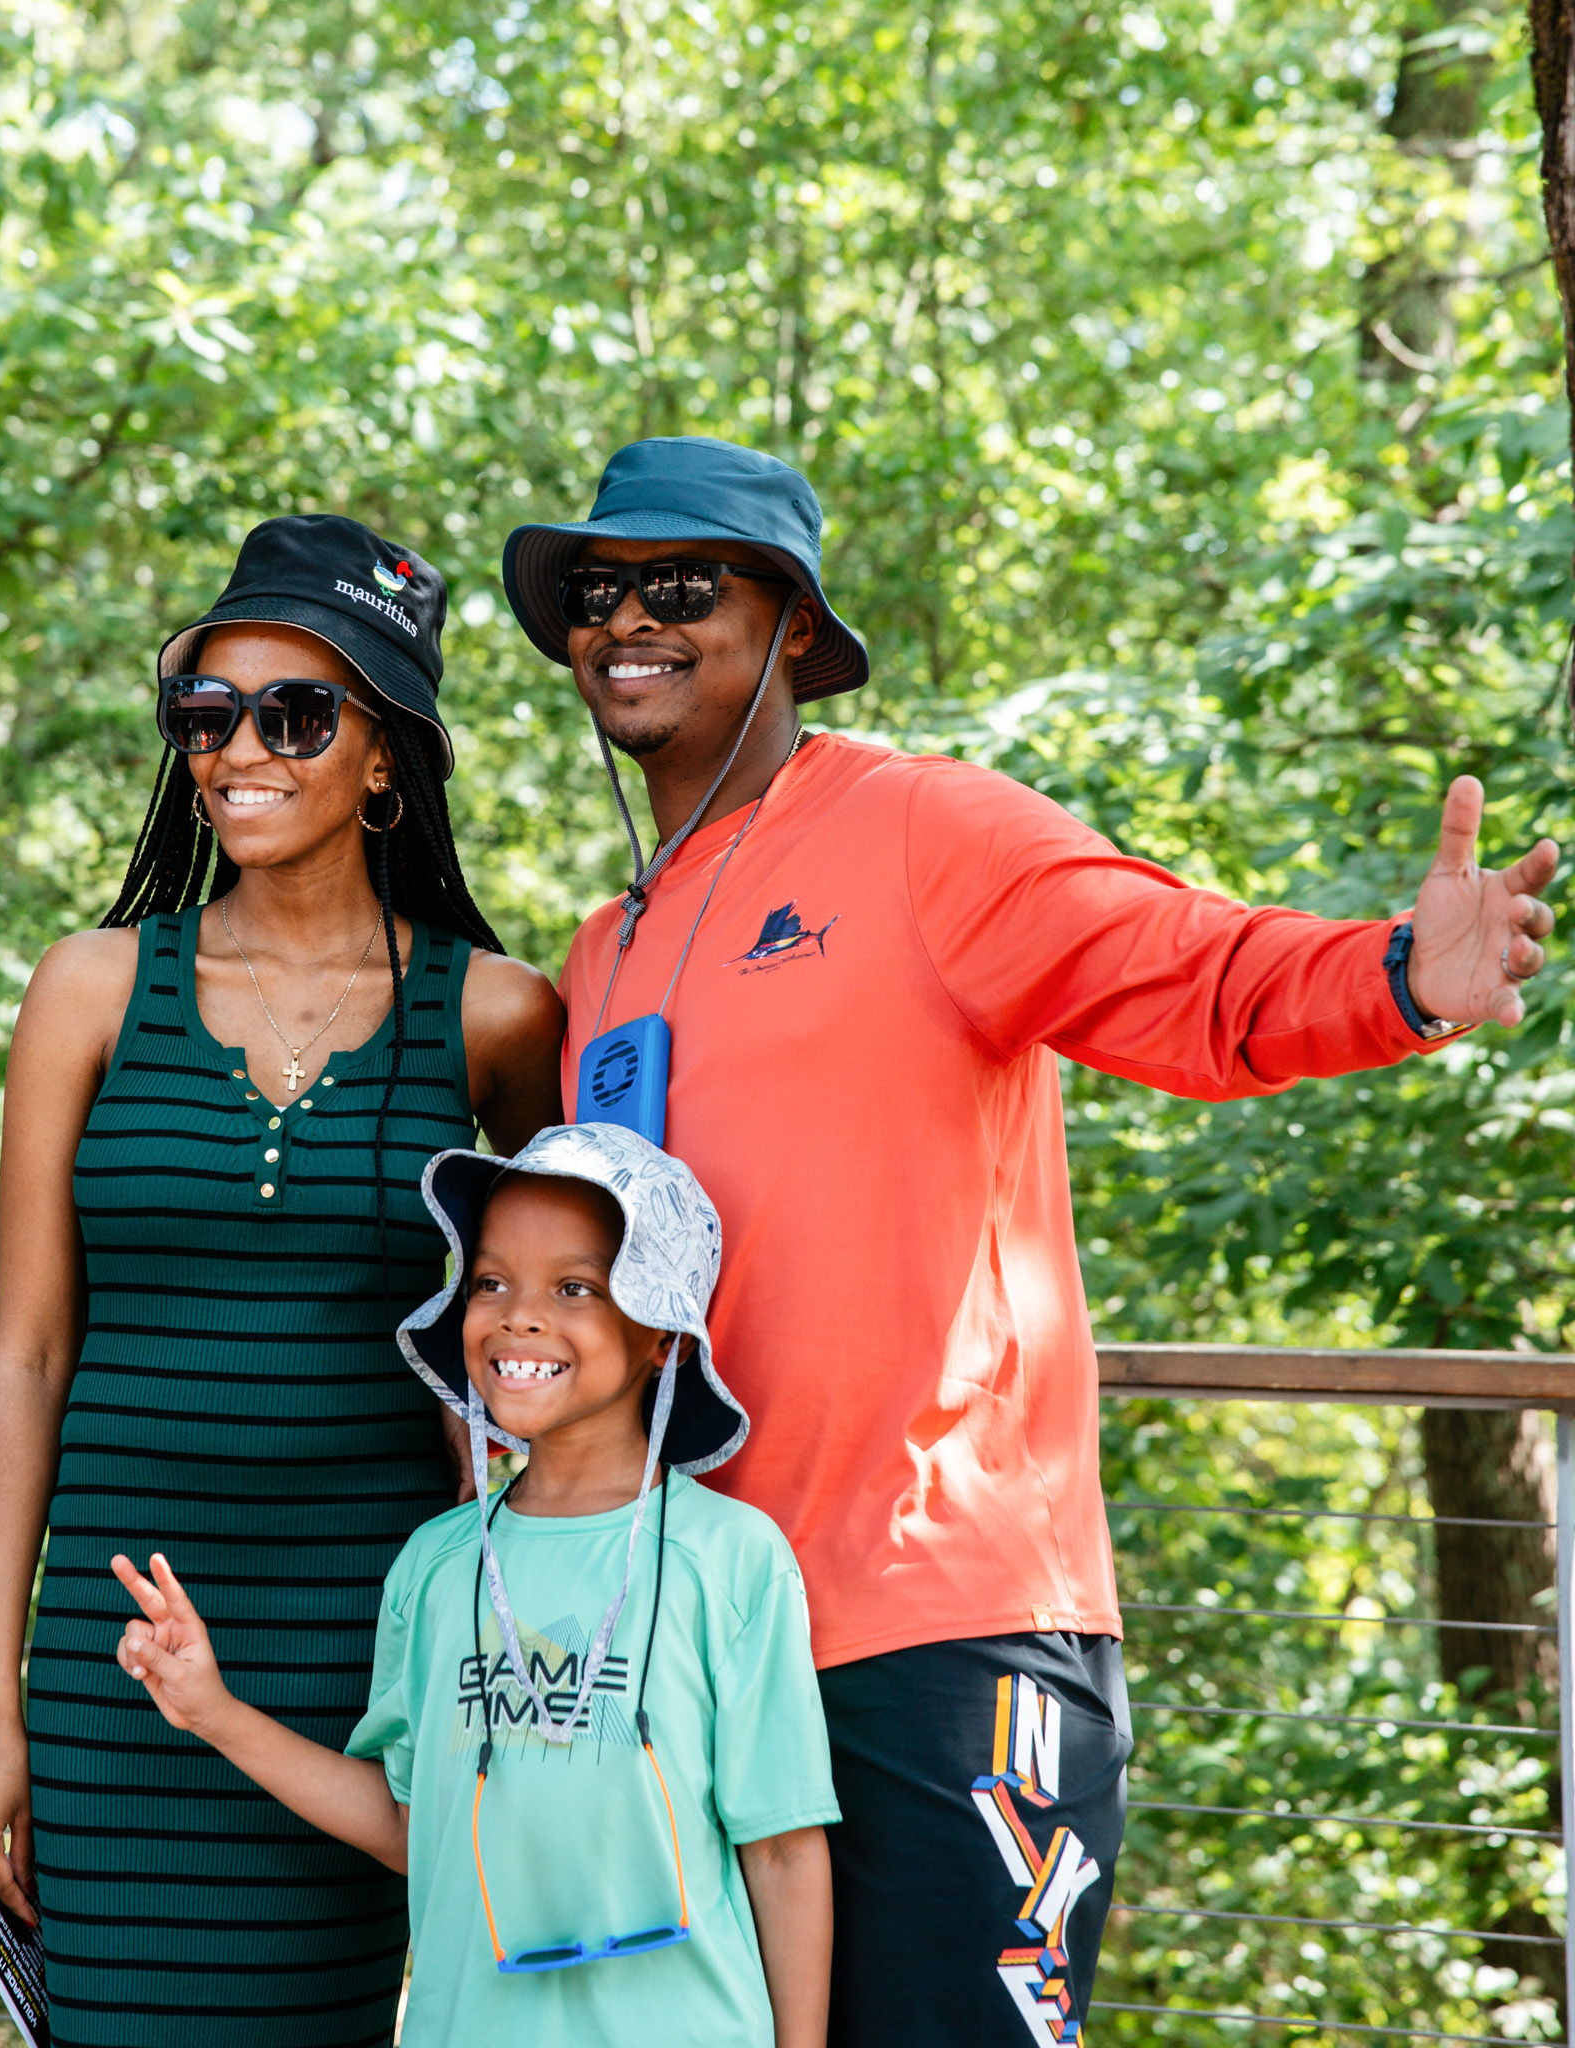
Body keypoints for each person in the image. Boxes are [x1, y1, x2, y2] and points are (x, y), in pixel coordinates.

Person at [498, 436, 1562, 2047]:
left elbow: (1192, 979)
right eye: (598, 590)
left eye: (682, 585)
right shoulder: (604, 945)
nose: (627, 619)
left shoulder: (925, 829)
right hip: (687, 1644)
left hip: (940, 1634)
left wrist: (1403, 974)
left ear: (792, 623)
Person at [0, 514, 566, 2048]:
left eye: (297, 713)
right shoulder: (89, 991)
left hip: (362, 1665)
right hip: (118, 1659)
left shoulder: (491, 1014)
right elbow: (26, 1357)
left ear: (384, 761)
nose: (239, 751)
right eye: (206, 714)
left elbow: (563, 1329)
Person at [111, 1121, 840, 2048]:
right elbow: (414, 1827)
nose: (519, 1316)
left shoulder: (733, 1557)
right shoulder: (436, 1564)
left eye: (574, 1288)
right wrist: (211, 1709)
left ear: (663, 1336)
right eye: (491, 1282)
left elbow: (781, 1848)